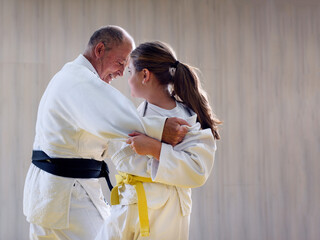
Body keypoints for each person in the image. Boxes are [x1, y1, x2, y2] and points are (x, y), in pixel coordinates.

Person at [23, 26, 189, 240]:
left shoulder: (70, 77)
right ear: (100, 50)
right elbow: (119, 120)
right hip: (67, 200)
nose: (121, 72)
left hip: (51, 196)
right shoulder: (79, 80)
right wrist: (161, 129)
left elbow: (113, 140)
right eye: (121, 62)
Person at [96, 41, 221, 240]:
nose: (126, 79)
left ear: (145, 75)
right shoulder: (134, 116)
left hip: (166, 212)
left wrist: (155, 149)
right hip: (128, 204)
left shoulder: (187, 118)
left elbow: (198, 170)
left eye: (130, 72)